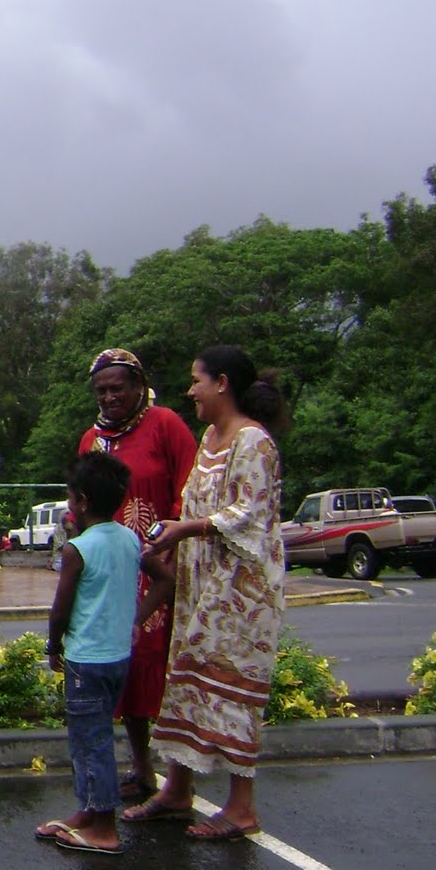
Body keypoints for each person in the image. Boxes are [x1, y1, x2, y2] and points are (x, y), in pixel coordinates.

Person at [124, 345, 289, 841]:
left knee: (233, 689)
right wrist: (176, 539)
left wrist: (185, 528)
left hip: (243, 592)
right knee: (188, 683)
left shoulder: (253, 441)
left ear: (221, 383)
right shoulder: (211, 436)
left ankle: (242, 807)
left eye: (196, 381)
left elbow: (247, 515)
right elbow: (198, 500)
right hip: (203, 587)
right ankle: (178, 790)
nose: (190, 390)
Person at [76, 348, 197, 801]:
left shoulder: (165, 423)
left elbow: (192, 485)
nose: (110, 397)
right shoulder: (93, 438)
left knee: (166, 665)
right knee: (126, 661)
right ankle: (143, 768)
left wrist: (171, 539)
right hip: (116, 569)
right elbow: (82, 503)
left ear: (138, 385)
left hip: (164, 564)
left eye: (118, 387)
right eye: (101, 390)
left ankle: (179, 774)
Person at [36, 452, 141, 854]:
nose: (67, 505)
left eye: (69, 498)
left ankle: (104, 827)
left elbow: (60, 607)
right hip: (117, 658)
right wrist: (137, 617)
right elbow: (164, 578)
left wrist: (52, 645)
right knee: (90, 737)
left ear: (80, 501)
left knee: (90, 742)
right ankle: (88, 811)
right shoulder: (130, 538)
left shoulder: (77, 549)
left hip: (86, 660)